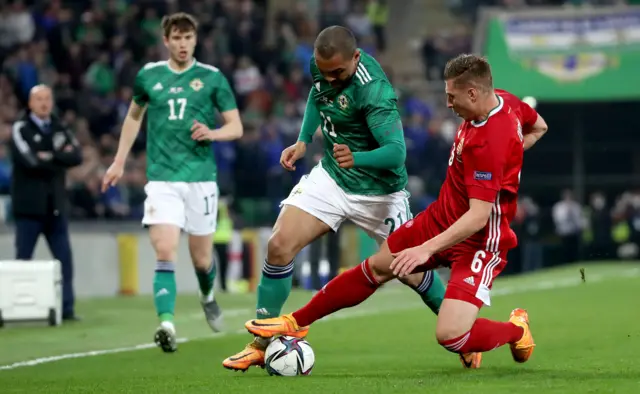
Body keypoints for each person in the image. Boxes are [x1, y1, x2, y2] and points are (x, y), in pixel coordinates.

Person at [244, 54, 550, 368]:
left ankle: (516, 330)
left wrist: (424, 251)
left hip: (479, 241)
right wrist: (511, 160)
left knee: (451, 336)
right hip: (440, 217)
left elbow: (477, 217)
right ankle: (295, 321)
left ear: (472, 93)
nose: (447, 104)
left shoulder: (490, 142)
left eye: (451, 97)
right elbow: (539, 126)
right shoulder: (507, 103)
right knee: (378, 267)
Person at [223, 25, 464, 371]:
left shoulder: (375, 91)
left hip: (381, 193)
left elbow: (396, 153)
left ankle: (464, 338)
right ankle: (261, 344)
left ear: (355, 57)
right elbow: (317, 95)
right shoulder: (322, 67)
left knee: (411, 271)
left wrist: (359, 157)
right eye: (325, 73)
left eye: (339, 72)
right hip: (333, 179)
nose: (332, 80)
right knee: (279, 245)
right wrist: (304, 139)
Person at [101, 13, 243, 353]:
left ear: (196, 40)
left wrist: (213, 132)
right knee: (165, 250)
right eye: (176, 38)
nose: (182, 44)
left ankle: (207, 295)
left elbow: (235, 126)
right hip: (162, 179)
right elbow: (133, 118)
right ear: (166, 41)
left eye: (188, 38)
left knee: (201, 259)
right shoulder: (149, 76)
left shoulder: (212, 78)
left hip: (200, 180)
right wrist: (119, 160)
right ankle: (166, 323)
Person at [9, 84, 82, 321]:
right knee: (23, 262)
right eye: (39, 99)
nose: (44, 103)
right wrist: (58, 157)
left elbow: (77, 156)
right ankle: (16, 308)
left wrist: (48, 156)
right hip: (29, 208)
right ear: (30, 103)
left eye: (47, 99)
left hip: (56, 206)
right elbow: (29, 160)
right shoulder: (21, 128)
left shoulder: (60, 127)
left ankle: (67, 309)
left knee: (65, 262)